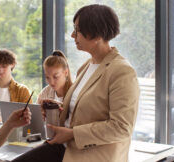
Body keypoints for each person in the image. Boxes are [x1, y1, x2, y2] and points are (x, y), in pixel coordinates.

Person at [13, 4, 139, 162]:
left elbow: (122, 128)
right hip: (65, 148)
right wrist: (56, 109)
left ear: (97, 34)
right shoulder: (86, 67)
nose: (72, 35)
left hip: (91, 155)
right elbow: (80, 113)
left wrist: (73, 134)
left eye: (77, 30)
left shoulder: (122, 71)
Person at [0, 49, 32, 122]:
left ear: (12, 64)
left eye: (4, 66)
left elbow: (27, 119)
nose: (0, 70)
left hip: (11, 130)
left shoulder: (22, 91)